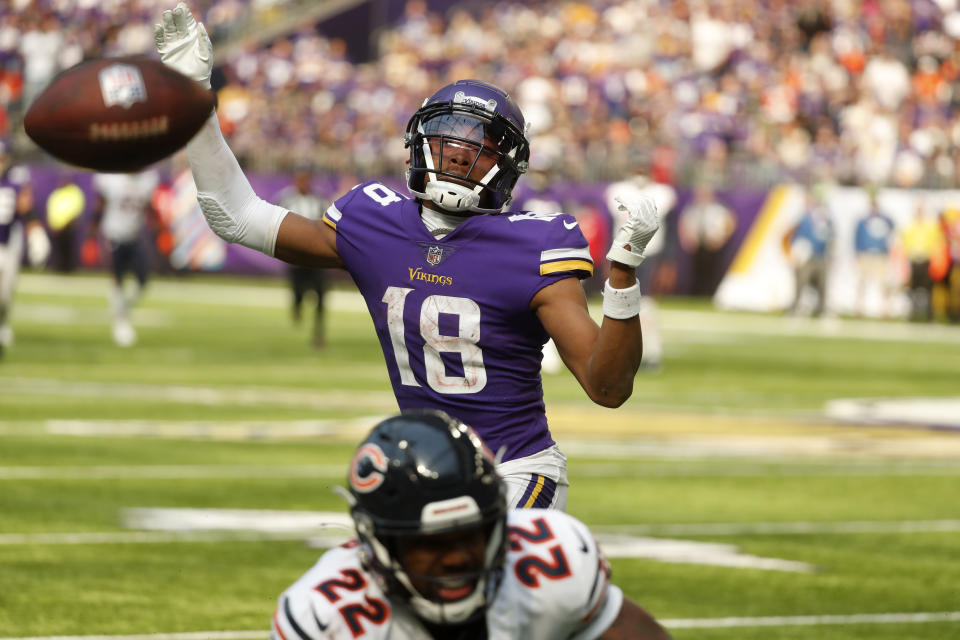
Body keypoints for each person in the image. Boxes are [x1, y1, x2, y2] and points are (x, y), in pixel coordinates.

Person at [155, 4, 659, 510]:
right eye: (448, 137)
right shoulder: (375, 222)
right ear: (418, 142)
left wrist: (624, 270)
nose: (459, 152)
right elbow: (235, 215)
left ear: (508, 165)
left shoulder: (533, 245)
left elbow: (607, 387)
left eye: (479, 145)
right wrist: (193, 102)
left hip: (515, 471)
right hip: (428, 469)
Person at [271, 410, 673, 640]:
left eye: (471, 534)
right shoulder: (326, 615)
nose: (457, 558)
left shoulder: (551, 560)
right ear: (381, 545)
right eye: (432, 543)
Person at [88, 169, 160, 347]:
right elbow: (100, 206)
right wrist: (91, 238)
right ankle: (120, 323)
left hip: (134, 238)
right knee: (118, 281)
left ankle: (123, 311)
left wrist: (160, 230)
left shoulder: (148, 180)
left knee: (142, 280)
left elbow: (148, 207)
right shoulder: (111, 179)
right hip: (113, 236)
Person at [0, 140, 47, 359]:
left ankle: (2, 324)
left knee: (5, 295)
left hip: (8, 243)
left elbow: (25, 204)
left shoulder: (16, 178)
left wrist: (36, 233)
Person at [277, 168, 328, 349]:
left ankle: (319, 333)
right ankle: (297, 305)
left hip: (315, 256)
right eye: (300, 180)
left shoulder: (318, 200)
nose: (303, 184)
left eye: (305, 180)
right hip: (296, 257)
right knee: (298, 292)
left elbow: (326, 224)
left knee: (321, 295)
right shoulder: (286, 199)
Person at [677, 183, 736, 297]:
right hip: (697, 246)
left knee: (713, 273)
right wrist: (687, 240)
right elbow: (683, 226)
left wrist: (721, 239)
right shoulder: (692, 210)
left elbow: (730, 223)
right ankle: (696, 295)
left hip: (714, 246)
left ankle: (711, 294)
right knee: (696, 273)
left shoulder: (719, 210)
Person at [786, 187, 834, 317]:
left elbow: (830, 236)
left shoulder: (826, 216)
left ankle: (823, 310)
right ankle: (795, 308)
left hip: (821, 255)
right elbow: (796, 236)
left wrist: (831, 253)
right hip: (806, 256)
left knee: (823, 285)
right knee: (801, 282)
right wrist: (796, 253)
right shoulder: (804, 217)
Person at [853, 190, 896, 317]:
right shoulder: (863, 220)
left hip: (880, 255)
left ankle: (886, 309)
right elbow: (857, 237)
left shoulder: (885, 219)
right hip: (866, 254)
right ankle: (859, 308)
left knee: (884, 284)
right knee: (862, 282)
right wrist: (857, 252)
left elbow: (892, 229)